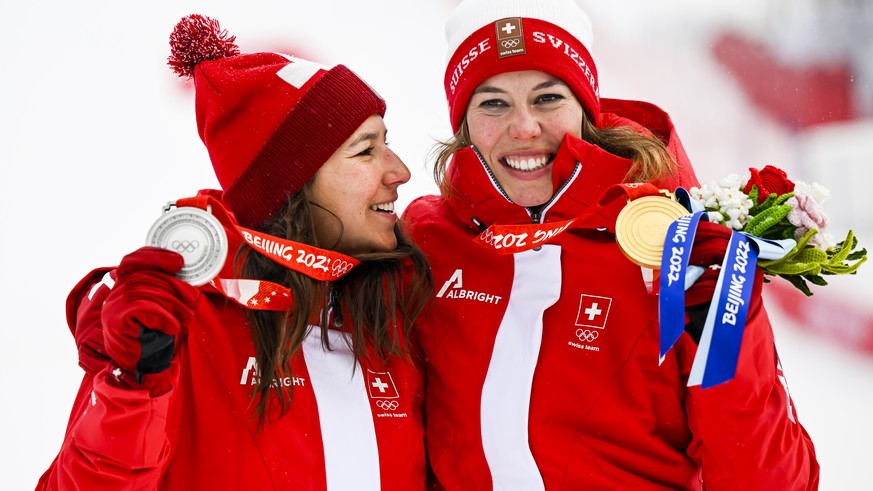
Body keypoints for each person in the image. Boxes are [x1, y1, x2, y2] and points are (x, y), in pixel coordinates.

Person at [402, 0, 819, 489]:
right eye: (493, 103)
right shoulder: (429, 241)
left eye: (547, 98)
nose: (524, 127)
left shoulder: (673, 251)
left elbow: (772, 481)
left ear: (586, 108)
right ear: (463, 124)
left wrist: (727, 334)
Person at [37, 14, 432, 490]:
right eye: (365, 151)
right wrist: (132, 386)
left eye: (387, 143)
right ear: (290, 187)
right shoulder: (178, 323)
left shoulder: (397, 305)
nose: (401, 171)